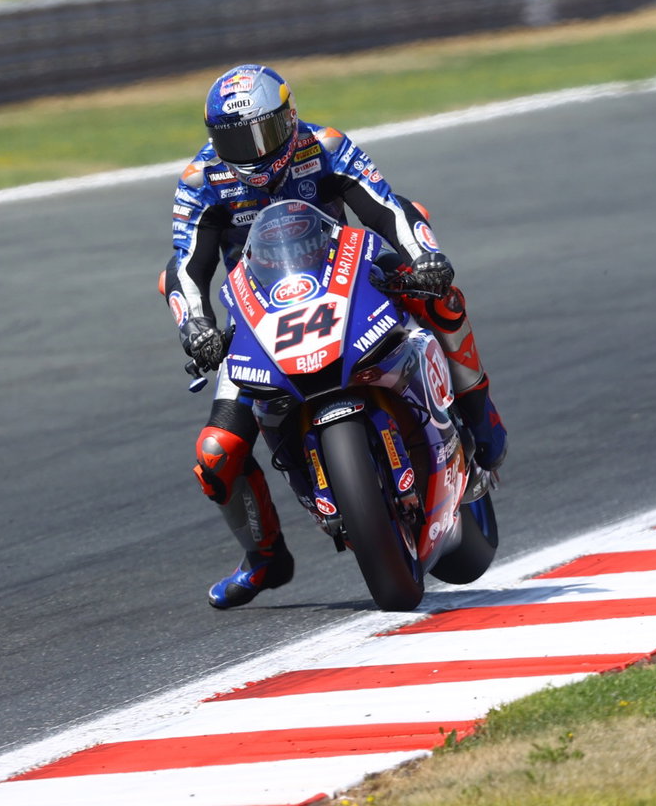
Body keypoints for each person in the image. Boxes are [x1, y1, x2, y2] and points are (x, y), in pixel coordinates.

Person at [163, 64, 507, 609]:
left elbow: (387, 207)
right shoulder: (201, 181)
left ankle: (479, 409)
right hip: (261, 318)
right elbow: (185, 267)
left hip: (349, 282)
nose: (252, 150)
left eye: (264, 133)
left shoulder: (323, 146)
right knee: (216, 452)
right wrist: (196, 326)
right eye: (235, 139)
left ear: (289, 117)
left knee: (441, 294)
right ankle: (263, 559)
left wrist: (426, 257)